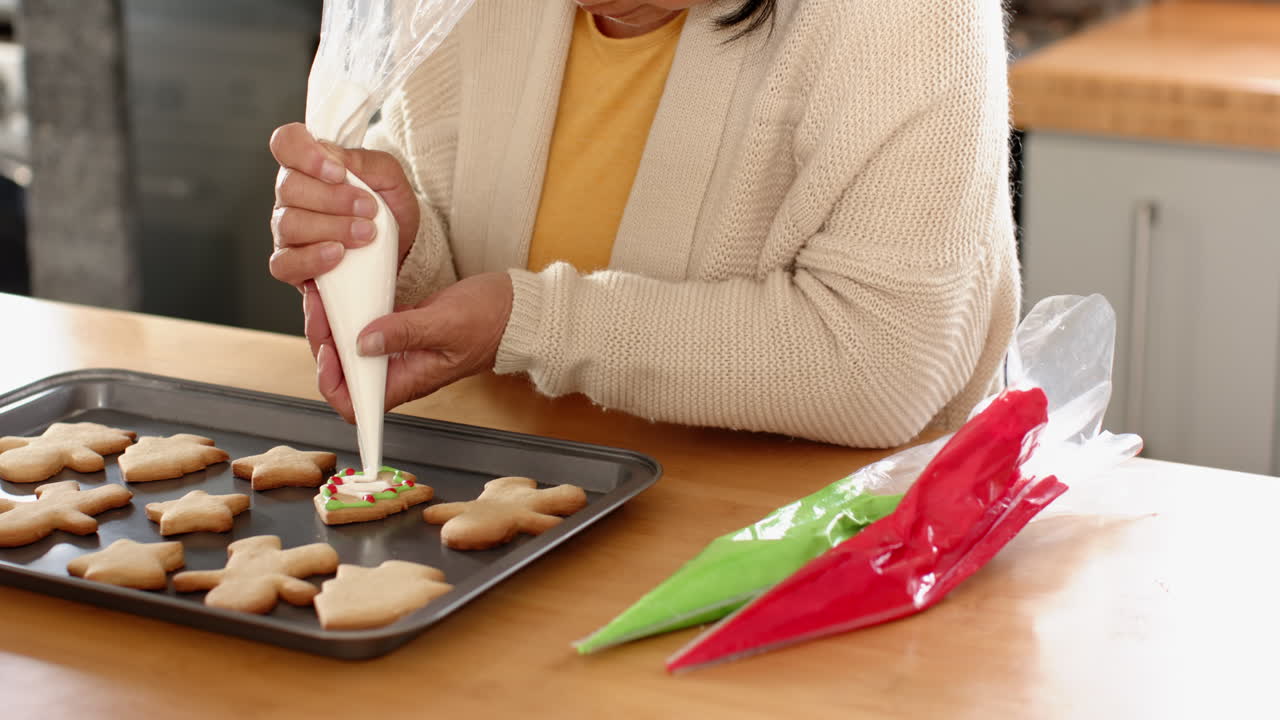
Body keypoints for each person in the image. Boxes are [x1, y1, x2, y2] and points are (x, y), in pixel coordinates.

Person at [267, 0, 1018, 449]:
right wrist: (397, 246)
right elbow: (468, 265)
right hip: (526, 518)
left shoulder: (913, 20)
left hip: (826, 556)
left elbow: (881, 367)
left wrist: (528, 323)